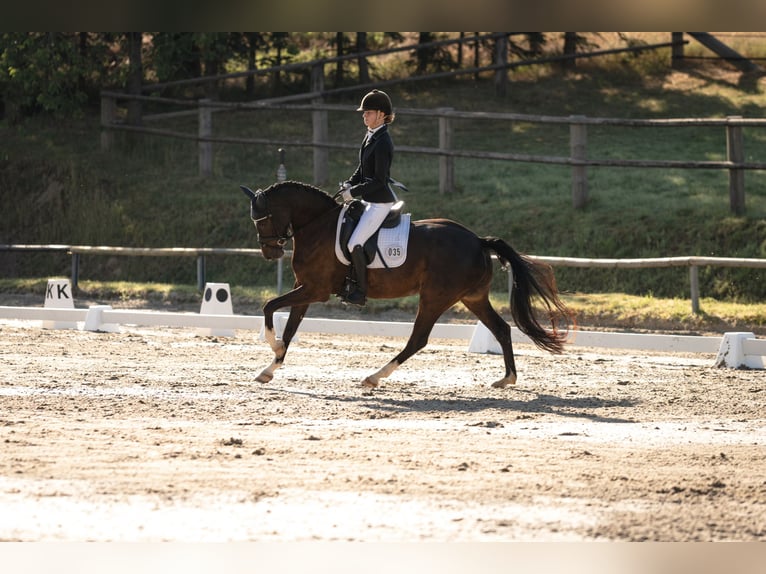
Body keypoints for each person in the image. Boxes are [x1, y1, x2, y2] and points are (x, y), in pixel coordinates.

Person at [339, 89, 398, 306]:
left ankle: (360, 291)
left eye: (368, 112)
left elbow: (379, 181)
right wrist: (349, 183)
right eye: (363, 113)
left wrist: (352, 193)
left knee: (355, 242)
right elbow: (362, 169)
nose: (364, 116)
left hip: (379, 203)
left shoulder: (383, 141)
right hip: (368, 201)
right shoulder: (371, 135)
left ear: (382, 114)